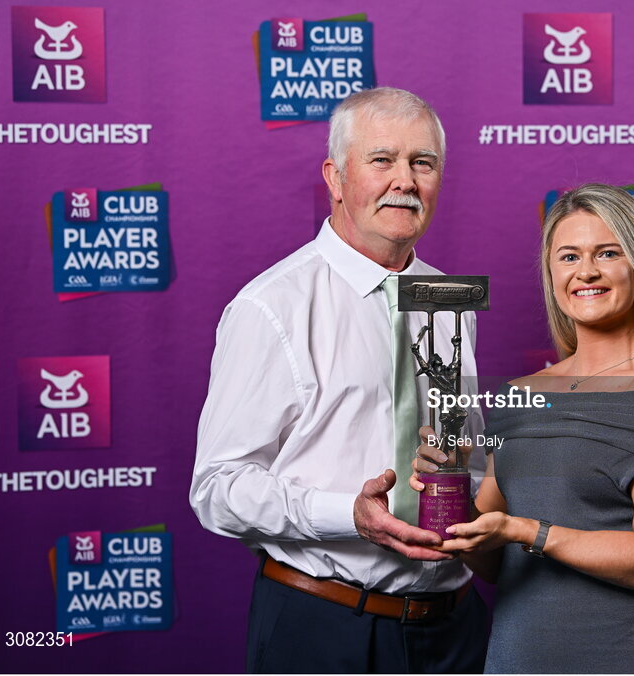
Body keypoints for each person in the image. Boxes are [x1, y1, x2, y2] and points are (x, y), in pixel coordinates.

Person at [190, 87, 488, 673]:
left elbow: (462, 454)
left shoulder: (450, 298)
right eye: (382, 160)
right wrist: (345, 513)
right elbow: (216, 489)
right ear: (335, 176)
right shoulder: (272, 306)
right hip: (328, 630)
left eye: (422, 163)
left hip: (453, 630)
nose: (404, 180)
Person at [413, 183, 634, 673]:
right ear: (551, 273)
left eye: (607, 253)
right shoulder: (519, 394)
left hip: (627, 657)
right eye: (568, 256)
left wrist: (525, 530)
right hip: (518, 657)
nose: (586, 271)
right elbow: (489, 560)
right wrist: (446, 488)